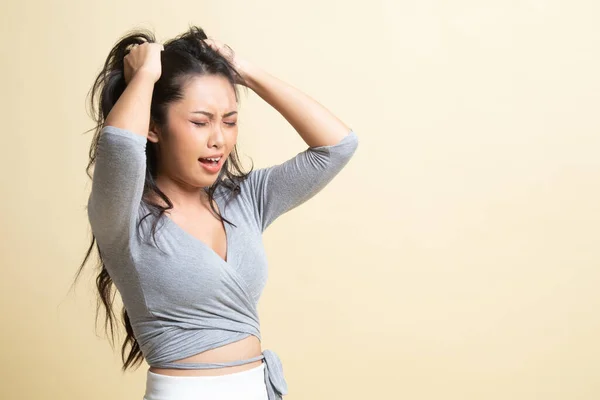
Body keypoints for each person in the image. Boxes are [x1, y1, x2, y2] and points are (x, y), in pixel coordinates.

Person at [74, 25, 359, 400]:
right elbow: (120, 145)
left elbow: (337, 146)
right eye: (200, 121)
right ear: (154, 126)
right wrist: (145, 75)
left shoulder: (245, 199)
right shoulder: (123, 216)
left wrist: (244, 71)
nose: (219, 139)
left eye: (229, 121)